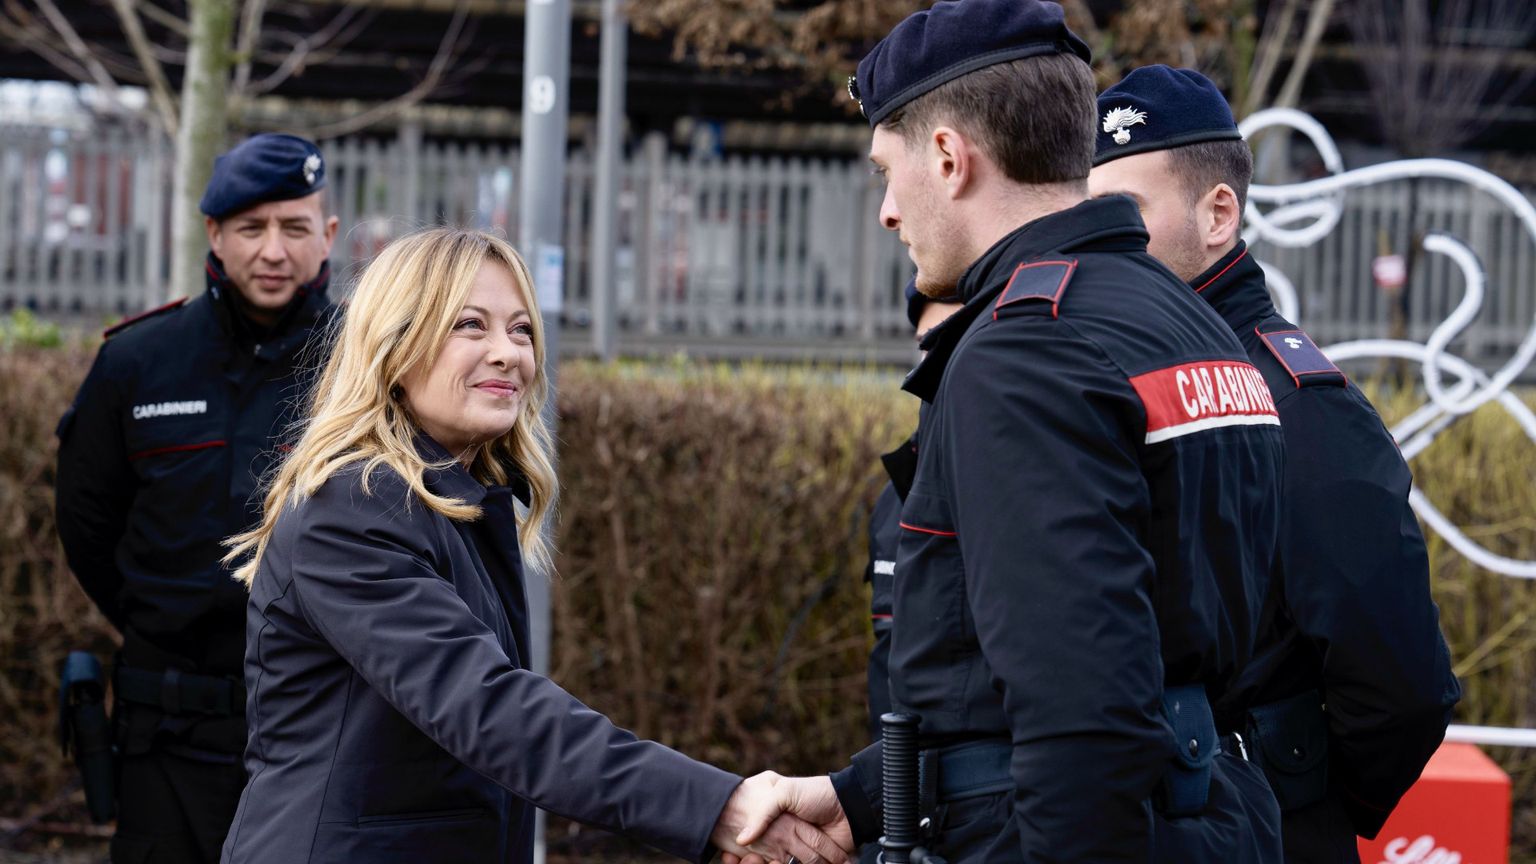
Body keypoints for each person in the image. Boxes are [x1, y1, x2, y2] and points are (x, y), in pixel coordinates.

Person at [730, 1, 1290, 861]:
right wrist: (862, 796)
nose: (886, 209)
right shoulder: (1185, 319)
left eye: (888, 169)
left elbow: (1082, 712)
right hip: (1205, 811)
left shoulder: (1024, 352)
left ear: (951, 158)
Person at [217, 228, 852, 864]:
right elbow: (492, 710)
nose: (507, 353)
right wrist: (717, 807)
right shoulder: (354, 506)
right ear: (394, 347)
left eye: (521, 330)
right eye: (470, 325)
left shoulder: (455, 500)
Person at [1088, 65, 1461, 863]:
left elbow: (1400, 684)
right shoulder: (1116, 377)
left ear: (1217, 214)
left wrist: (1298, 794)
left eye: (1125, 214)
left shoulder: (1294, 401)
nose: (1101, 242)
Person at [55, 133, 339, 863]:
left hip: (317, 728)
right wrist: (162, 620)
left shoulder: (367, 367)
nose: (273, 251)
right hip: (165, 733)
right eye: (252, 228)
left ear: (327, 234)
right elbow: (88, 523)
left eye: (294, 227)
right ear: (214, 232)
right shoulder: (137, 361)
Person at [859, 283, 962, 864]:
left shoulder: (1001, 489)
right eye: (929, 345)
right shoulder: (893, 497)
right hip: (895, 804)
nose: (937, 363)